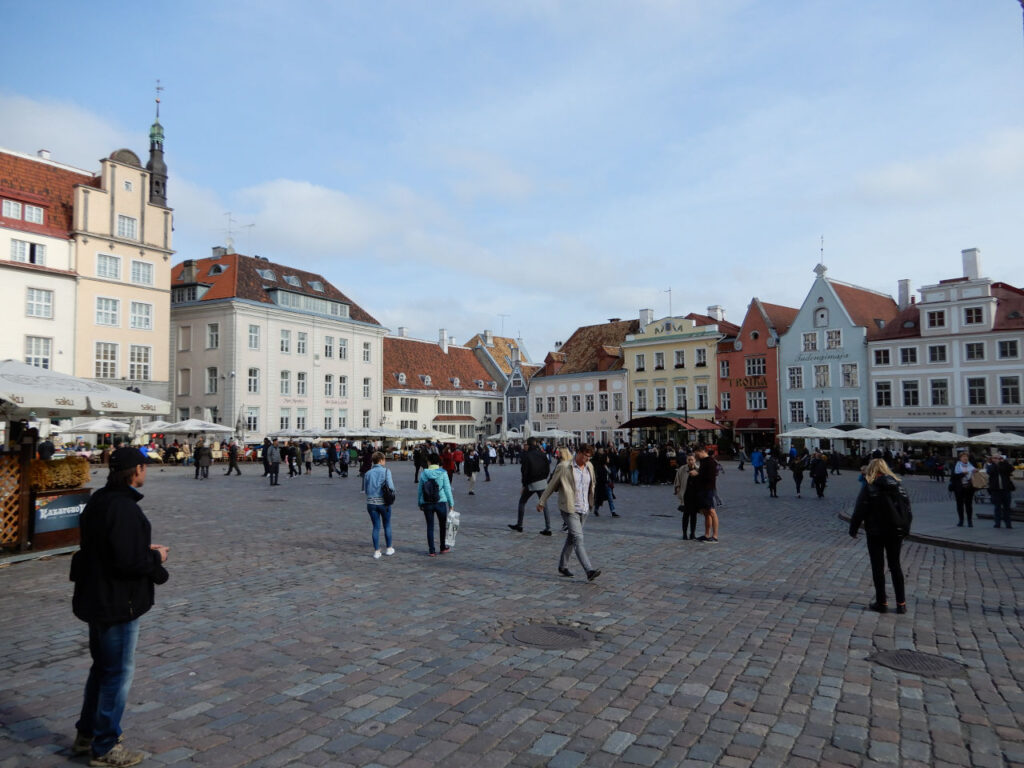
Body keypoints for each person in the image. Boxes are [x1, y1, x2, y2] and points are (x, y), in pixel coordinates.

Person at [70, 447, 169, 766]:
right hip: (118, 601)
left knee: (102, 669)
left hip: (96, 597)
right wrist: (156, 558)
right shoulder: (123, 507)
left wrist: (142, 548)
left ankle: (87, 735)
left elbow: (107, 547)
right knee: (117, 673)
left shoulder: (99, 500)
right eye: (145, 467)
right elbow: (127, 561)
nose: (146, 472)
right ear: (136, 470)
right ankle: (106, 745)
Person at [849, 458, 910, 614]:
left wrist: (853, 529)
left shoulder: (869, 487)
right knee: (895, 565)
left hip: (876, 531)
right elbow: (907, 511)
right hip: (896, 531)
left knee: (878, 567)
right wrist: (905, 530)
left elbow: (859, 509)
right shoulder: (898, 486)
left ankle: (882, 602)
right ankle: (901, 604)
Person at [539, 445, 601, 581]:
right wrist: (542, 501)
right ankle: (589, 570)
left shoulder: (589, 466)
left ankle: (563, 566)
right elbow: (551, 485)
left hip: (584, 509)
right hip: (569, 508)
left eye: (589, 457)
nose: (587, 459)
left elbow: (592, 484)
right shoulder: (564, 467)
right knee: (578, 538)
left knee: (572, 538)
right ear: (578, 453)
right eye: (585, 455)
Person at [510, 437, 553, 534]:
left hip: (531, 483)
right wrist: (544, 478)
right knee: (544, 504)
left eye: (525, 444)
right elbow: (547, 468)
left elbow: (524, 472)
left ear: (528, 445)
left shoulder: (527, 456)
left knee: (522, 502)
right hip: (542, 482)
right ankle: (548, 528)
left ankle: (519, 525)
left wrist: (524, 485)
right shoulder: (542, 454)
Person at [418, 452, 453, 556]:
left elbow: (420, 489)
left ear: (429, 462)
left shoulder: (424, 473)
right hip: (440, 501)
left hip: (427, 502)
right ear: (438, 462)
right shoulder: (443, 472)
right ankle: (442, 547)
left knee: (430, 526)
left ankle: (432, 550)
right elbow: (447, 489)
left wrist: (420, 502)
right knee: (442, 526)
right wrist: (451, 503)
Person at [364, 452, 396, 559]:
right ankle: (389, 548)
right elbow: (391, 487)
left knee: (376, 527)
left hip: (371, 503)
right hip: (384, 503)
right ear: (381, 460)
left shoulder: (368, 473)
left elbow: (365, 489)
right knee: (387, 525)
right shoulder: (386, 471)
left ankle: (377, 551)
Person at [692, 446, 719, 542]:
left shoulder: (710, 462)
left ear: (701, 451)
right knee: (706, 512)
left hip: (708, 490)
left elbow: (710, 478)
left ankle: (715, 536)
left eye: (696, 454)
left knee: (712, 511)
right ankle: (707, 534)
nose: (695, 456)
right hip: (701, 490)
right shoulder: (703, 462)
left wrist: (697, 474)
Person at [673, 453, 700, 539]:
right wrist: (677, 488)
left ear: (695, 460)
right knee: (686, 515)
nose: (690, 461)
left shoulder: (698, 469)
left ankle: (692, 533)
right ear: (686, 460)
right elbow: (677, 480)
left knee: (694, 515)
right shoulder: (682, 469)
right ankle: (684, 533)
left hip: (695, 495)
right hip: (685, 494)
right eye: (689, 459)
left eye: (692, 459)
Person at [985, 453, 1015, 529]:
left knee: (1007, 507)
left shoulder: (1004, 465)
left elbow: (1011, 469)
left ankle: (1008, 524)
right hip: (996, 490)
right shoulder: (990, 466)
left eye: (998, 458)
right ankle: (997, 523)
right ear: (992, 459)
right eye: (995, 458)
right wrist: (996, 464)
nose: (996, 459)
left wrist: (1003, 462)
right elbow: (990, 471)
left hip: (1005, 489)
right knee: (997, 507)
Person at [951, 451, 975, 527]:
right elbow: (953, 477)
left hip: (969, 488)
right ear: (960, 458)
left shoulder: (971, 465)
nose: (965, 458)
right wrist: (962, 474)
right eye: (963, 457)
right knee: (960, 505)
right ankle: (961, 520)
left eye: (966, 457)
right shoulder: (956, 466)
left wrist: (975, 472)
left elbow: (974, 476)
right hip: (959, 488)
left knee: (969, 505)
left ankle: (969, 521)